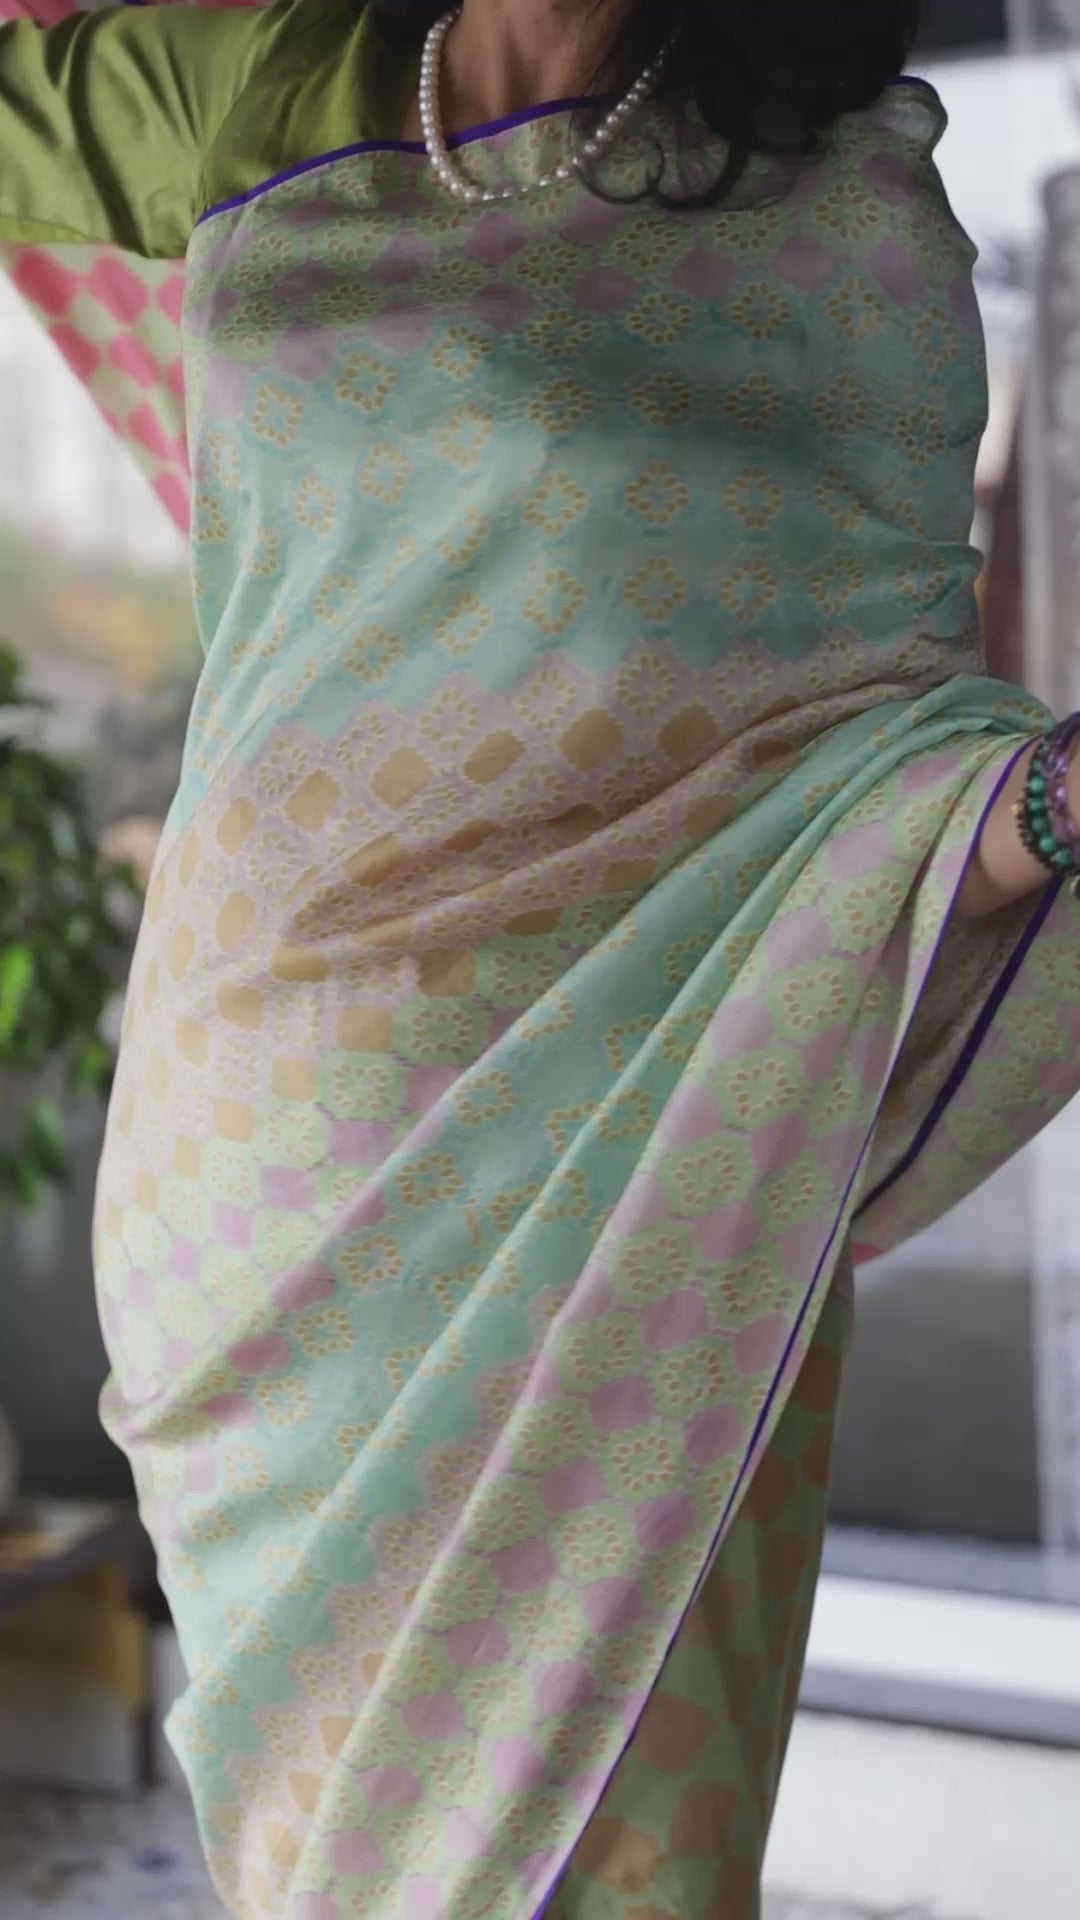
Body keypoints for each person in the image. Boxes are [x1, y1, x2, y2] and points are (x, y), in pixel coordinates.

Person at [2, 1, 1079, 1913]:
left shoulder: (837, 201)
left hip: (646, 1177)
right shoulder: (269, 75)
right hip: (254, 1185)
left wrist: (1052, 811)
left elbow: (856, 754)